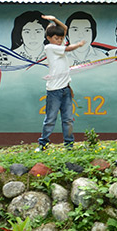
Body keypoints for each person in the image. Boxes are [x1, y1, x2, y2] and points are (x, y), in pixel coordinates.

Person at [36, 15, 85, 151]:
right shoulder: (50, 48)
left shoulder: (59, 45)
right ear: (49, 38)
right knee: (50, 119)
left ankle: (69, 145)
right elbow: (69, 49)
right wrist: (79, 45)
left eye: (61, 39)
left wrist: (55, 19)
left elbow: (65, 28)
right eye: (56, 38)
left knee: (68, 119)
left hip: (65, 90)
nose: (59, 41)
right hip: (54, 91)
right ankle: (43, 144)